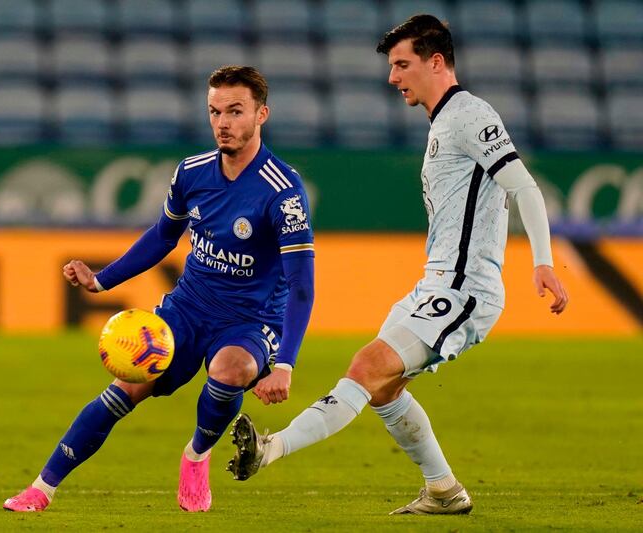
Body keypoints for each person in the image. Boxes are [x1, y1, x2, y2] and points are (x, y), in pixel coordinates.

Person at [227, 15, 569, 516]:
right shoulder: (444, 121)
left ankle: (270, 448)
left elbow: (524, 186)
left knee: (366, 367)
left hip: (464, 289)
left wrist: (543, 263)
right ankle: (444, 491)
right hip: (436, 283)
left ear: (436, 62)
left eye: (402, 64)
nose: (393, 77)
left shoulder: (470, 114)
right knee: (385, 390)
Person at [3, 66, 315, 513]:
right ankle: (41, 488)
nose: (223, 123)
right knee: (123, 390)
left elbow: (302, 283)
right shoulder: (191, 173)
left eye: (235, 111)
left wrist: (284, 363)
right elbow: (162, 236)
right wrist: (101, 278)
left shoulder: (282, 191)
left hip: (253, 318)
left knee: (230, 371)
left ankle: (197, 455)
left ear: (261, 114)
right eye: (214, 112)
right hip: (188, 307)